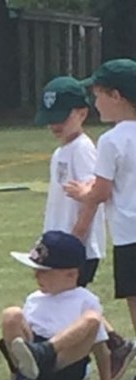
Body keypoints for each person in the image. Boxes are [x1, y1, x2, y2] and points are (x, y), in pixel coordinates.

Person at [35, 74, 135, 380]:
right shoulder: (62, 152)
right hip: (63, 239)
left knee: (72, 300)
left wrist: (78, 234)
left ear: (81, 113)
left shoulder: (85, 148)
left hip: (79, 243)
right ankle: (115, 345)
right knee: (75, 298)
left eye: (61, 117)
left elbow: (94, 195)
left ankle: (109, 347)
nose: (55, 125)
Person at [65, 59, 136, 338]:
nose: (95, 104)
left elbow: (102, 192)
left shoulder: (112, 139)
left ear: (116, 96)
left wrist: (84, 192)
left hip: (130, 233)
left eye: (98, 96)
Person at [0, 231, 110, 380]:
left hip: (65, 366)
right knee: (11, 314)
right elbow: (20, 342)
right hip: (33, 359)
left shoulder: (85, 299)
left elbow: (100, 347)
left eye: (45, 272)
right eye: (36, 270)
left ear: (71, 274)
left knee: (92, 319)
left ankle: (43, 352)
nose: (36, 275)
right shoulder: (34, 298)